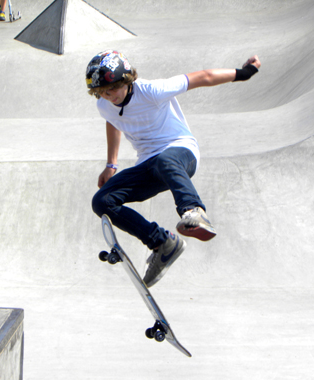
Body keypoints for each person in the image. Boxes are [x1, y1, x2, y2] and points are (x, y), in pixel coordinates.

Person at [87, 50, 261, 288]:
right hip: (149, 163)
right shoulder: (105, 105)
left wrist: (245, 73)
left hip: (181, 151)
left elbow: (203, 77)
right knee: (102, 201)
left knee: (165, 160)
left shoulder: (152, 90)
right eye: (102, 93)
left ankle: (193, 211)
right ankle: (162, 243)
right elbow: (113, 121)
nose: (109, 97)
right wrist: (111, 164)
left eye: (113, 90)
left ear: (126, 80)